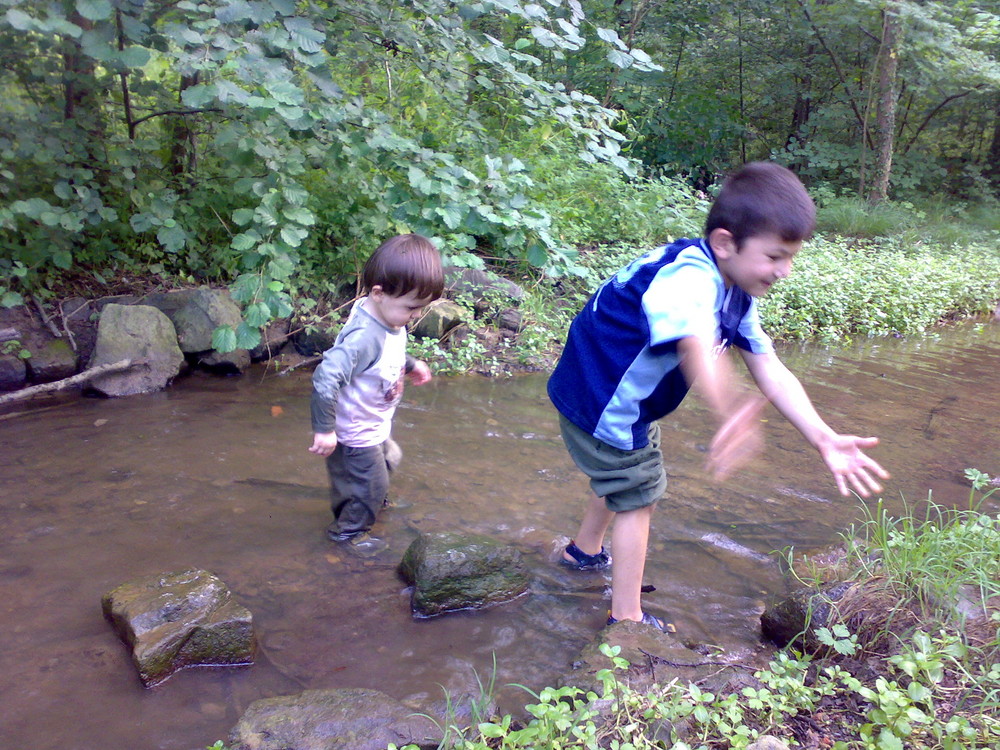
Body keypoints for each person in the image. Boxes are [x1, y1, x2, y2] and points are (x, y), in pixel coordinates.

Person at [547, 162, 890, 630]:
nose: (784, 271)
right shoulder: (688, 277)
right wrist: (732, 410)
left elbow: (769, 366)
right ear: (726, 243)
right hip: (601, 398)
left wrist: (823, 437)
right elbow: (694, 343)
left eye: (791, 257)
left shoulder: (735, 291)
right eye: (774, 256)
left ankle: (582, 552)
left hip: (619, 401)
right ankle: (625, 621)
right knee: (639, 494)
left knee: (629, 473)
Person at [309, 233, 444, 542]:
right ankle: (348, 534)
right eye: (412, 308)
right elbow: (326, 377)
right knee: (368, 483)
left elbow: (386, 352)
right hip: (354, 432)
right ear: (379, 293)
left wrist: (409, 364)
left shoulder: (386, 317)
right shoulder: (363, 337)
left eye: (421, 308)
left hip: (372, 423)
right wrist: (325, 429)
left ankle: (371, 499)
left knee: (389, 459)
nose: (416, 316)